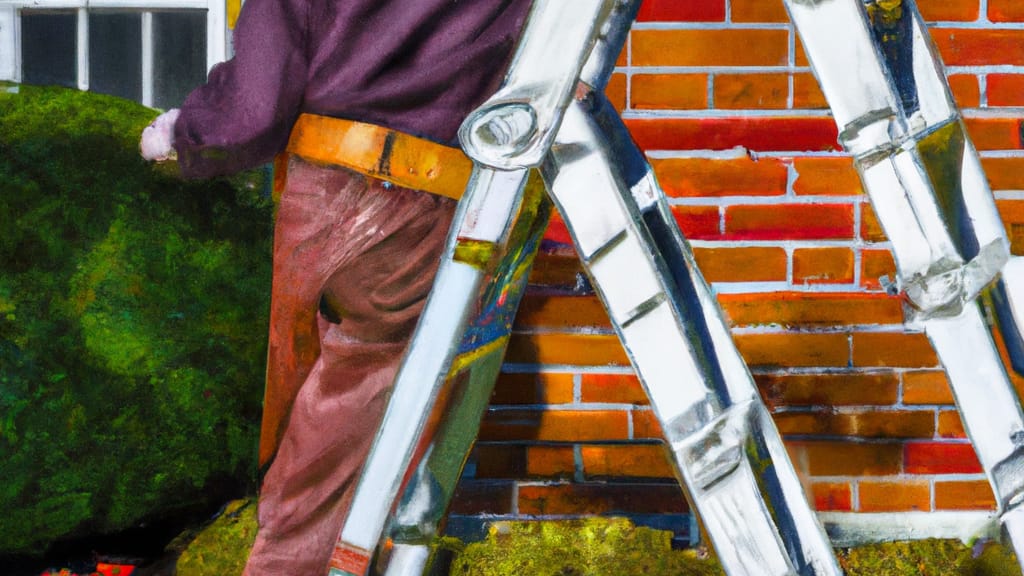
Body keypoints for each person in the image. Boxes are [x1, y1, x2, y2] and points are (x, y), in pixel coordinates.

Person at [139, 1, 532, 573]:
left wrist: (185, 132)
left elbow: (253, 109)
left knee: (321, 421)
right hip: (436, 196)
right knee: (347, 411)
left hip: (332, 190)